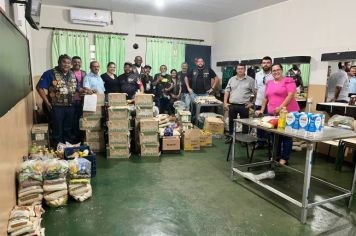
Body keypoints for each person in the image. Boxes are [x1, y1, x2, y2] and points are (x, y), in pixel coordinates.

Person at [255, 64, 300, 166]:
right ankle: (276, 155)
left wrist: (280, 107)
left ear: (282, 70)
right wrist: (262, 110)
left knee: (286, 137)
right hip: (273, 114)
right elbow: (265, 98)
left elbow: (290, 95)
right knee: (274, 137)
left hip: (288, 113)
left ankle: (284, 158)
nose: (276, 72)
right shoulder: (269, 83)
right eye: (274, 70)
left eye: (278, 70)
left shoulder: (288, 80)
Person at [36, 54, 81, 147]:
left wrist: (86, 90)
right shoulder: (50, 73)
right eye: (64, 62)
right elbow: (39, 87)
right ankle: (58, 148)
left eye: (68, 63)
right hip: (57, 107)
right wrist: (46, 102)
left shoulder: (72, 74)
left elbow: (77, 88)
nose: (66, 65)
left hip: (70, 106)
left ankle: (68, 147)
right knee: (58, 128)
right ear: (59, 63)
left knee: (68, 128)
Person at [224, 64, 255, 143]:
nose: (240, 70)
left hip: (244, 106)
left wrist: (252, 103)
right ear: (236, 70)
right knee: (231, 121)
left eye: (242, 69)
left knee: (245, 123)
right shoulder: (231, 79)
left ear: (245, 70)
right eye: (238, 69)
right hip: (232, 105)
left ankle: (244, 140)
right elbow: (227, 91)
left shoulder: (250, 80)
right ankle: (231, 136)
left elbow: (255, 93)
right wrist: (225, 102)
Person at [254, 56, 274, 149]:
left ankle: (271, 143)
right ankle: (260, 142)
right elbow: (256, 89)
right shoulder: (258, 74)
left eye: (268, 62)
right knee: (259, 123)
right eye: (264, 63)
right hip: (258, 102)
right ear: (261, 64)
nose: (266, 64)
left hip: (270, 104)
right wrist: (253, 101)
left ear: (271, 64)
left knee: (270, 123)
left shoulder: (274, 75)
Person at [71, 56, 87, 143]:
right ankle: (74, 137)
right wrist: (79, 89)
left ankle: (81, 136)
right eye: (75, 62)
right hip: (72, 99)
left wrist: (88, 89)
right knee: (73, 119)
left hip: (82, 99)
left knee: (81, 117)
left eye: (79, 62)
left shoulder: (84, 72)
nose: (77, 63)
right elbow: (71, 84)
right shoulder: (69, 72)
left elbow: (86, 83)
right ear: (72, 63)